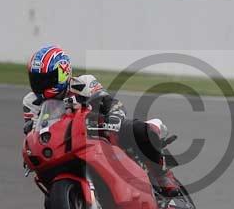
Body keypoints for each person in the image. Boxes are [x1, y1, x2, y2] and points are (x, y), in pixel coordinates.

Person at [22, 45, 179, 196]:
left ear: (63, 72)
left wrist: (114, 118)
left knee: (140, 130)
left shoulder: (84, 83)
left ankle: (162, 175)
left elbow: (110, 103)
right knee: (50, 201)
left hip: (99, 131)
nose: (40, 85)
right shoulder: (31, 102)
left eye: (46, 79)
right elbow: (33, 130)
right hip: (65, 145)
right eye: (36, 80)